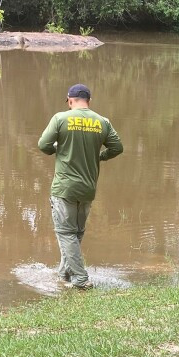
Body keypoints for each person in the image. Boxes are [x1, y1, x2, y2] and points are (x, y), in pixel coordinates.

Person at [38, 83, 123, 290]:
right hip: (87, 188)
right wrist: (100, 156)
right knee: (75, 234)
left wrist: (58, 148)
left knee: (66, 233)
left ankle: (80, 279)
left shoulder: (60, 118)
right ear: (89, 101)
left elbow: (43, 145)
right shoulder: (102, 122)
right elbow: (117, 147)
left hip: (64, 188)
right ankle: (64, 274)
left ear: (69, 100)